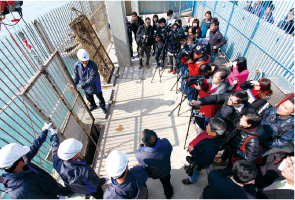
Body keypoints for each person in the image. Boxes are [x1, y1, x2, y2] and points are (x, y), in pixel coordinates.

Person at [0, 122, 71, 199]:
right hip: (48, 193)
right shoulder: (21, 191)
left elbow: (35, 146)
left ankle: (68, 193)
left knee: (65, 191)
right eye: (24, 155)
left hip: (51, 184)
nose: (26, 155)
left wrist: (45, 130)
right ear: (20, 163)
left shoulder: (20, 164)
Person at [50, 131, 107, 198]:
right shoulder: (84, 171)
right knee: (98, 193)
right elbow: (96, 183)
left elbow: (54, 148)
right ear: (76, 155)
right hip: (91, 189)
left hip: (75, 188)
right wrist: (104, 180)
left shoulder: (57, 162)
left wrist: (54, 135)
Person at [182, 118, 226, 185]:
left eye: (209, 125)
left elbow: (205, 161)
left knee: (195, 170)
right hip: (198, 154)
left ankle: (192, 179)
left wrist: (193, 151)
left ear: (214, 133)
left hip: (199, 161)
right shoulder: (209, 134)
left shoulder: (212, 148)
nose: (207, 125)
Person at [190, 90, 255, 131]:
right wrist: (199, 102)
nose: (228, 101)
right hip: (216, 122)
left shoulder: (249, 112)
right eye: (229, 98)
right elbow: (215, 98)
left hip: (226, 129)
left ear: (240, 103)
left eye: (231, 101)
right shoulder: (230, 97)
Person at [135, 129, 173, 199]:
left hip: (152, 174)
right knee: (166, 184)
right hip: (165, 172)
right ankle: (169, 195)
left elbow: (141, 164)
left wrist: (141, 148)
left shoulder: (139, 154)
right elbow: (170, 149)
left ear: (145, 144)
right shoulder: (165, 142)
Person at [71, 49, 107, 113]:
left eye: (86, 60)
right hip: (84, 83)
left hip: (94, 84)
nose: (85, 62)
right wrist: (74, 83)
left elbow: (92, 79)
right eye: (83, 60)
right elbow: (76, 76)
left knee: (99, 95)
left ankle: (102, 106)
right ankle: (93, 105)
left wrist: (81, 86)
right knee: (88, 96)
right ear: (79, 59)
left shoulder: (93, 66)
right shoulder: (77, 66)